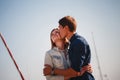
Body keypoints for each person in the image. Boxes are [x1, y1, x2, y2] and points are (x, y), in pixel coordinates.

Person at [57, 16, 95, 80]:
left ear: (66, 28)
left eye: (60, 27)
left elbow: (74, 70)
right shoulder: (73, 43)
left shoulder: (78, 43)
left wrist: (54, 71)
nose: (59, 30)